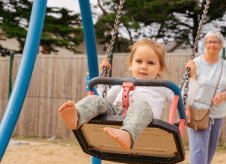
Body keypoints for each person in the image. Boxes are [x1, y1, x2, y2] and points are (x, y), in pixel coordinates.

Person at [59, 38, 200, 151]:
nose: (143, 66)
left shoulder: (163, 87)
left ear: (160, 69)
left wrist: (192, 77)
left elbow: (184, 101)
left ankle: (128, 135)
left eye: (150, 63)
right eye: (139, 61)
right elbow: (104, 100)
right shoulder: (122, 83)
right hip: (117, 112)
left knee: (140, 105)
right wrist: (103, 78)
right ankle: (76, 116)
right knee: (95, 100)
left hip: (144, 118)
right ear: (131, 64)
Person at [185, 31, 226, 164]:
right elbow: (186, 87)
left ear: (221, 45)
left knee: (210, 148)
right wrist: (186, 109)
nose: (212, 45)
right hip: (197, 112)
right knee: (198, 148)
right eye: (209, 41)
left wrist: (224, 94)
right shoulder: (195, 63)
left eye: (216, 42)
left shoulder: (225, 66)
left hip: (218, 113)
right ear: (204, 44)